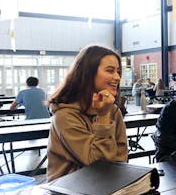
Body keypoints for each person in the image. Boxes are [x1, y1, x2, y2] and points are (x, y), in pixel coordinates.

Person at [46, 45, 128, 182]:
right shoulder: (65, 115)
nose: (117, 77)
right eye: (110, 70)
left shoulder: (113, 111)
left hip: (108, 186)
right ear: (88, 73)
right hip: (68, 192)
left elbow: (121, 157)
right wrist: (103, 118)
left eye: (118, 71)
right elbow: (98, 163)